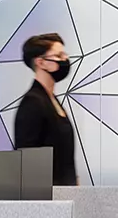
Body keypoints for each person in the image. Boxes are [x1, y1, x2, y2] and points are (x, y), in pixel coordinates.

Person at [14, 33, 78, 186]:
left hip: (67, 195)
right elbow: (27, 161)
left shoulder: (52, 100)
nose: (65, 60)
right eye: (58, 55)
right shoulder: (32, 103)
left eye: (64, 55)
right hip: (48, 199)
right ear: (41, 62)